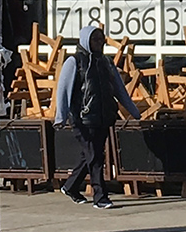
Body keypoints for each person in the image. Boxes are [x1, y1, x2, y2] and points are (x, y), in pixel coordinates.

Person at [54, 25, 139, 208]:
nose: (99, 43)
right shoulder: (74, 61)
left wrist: (133, 111)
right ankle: (100, 197)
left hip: (103, 116)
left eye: (101, 40)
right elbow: (63, 90)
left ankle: (70, 186)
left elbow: (119, 89)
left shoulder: (106, 62)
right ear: (86, 41)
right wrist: (60, 117)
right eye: (95, 39)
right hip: (82, 118)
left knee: (91, 155)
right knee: (96, 157)